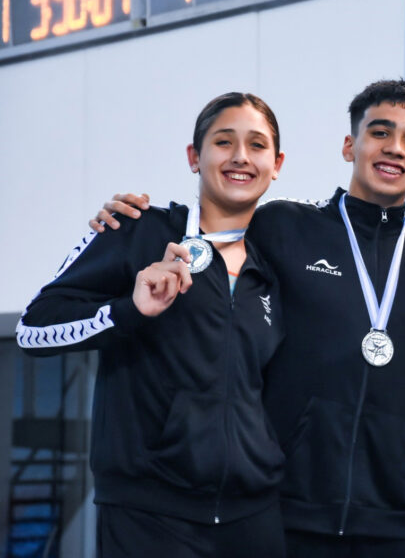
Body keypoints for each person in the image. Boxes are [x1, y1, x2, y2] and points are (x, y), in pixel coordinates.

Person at [88, 79, 405, 557]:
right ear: (350, 146)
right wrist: (128, 220)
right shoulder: (283, 226)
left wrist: (389, 420)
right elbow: (212, 227)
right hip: (282, 508)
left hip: (395, 516)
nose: (394, 148)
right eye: (380, 132)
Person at [17, 93, 288, 557]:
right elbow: (32, 328)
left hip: (253, 517)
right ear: (194, 156)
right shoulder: (138, 230)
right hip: (149, 514)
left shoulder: (275, 266)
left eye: (257, 145)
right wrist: (129, 310)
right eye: (224, 141)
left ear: (276, 163)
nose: (241, 156)